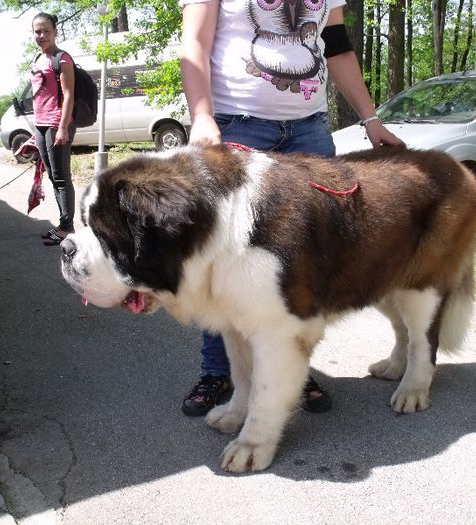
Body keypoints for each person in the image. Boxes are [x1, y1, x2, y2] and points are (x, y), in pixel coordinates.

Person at [178, 0, 405, 417]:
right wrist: (202, 116)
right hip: (236, 125)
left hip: (310, 131)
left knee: (308, 260)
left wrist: (371, 120)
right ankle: (216, 372)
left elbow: (336, 47)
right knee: (225, 260)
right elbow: (194, 40)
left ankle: (293, 365)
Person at [30, 12, 77, 246]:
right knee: (52, 176)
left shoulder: (62, 58)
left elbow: (68, 94)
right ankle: (62, 225)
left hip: (57, 123)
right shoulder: (38, 58)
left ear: (55, 32)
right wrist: (34, 130)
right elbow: (40, 96)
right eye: (37, 31)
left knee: (61, 177)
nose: (42, 35)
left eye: (46, 31)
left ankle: (67, 228)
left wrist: (62, 128)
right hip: (40, 124)